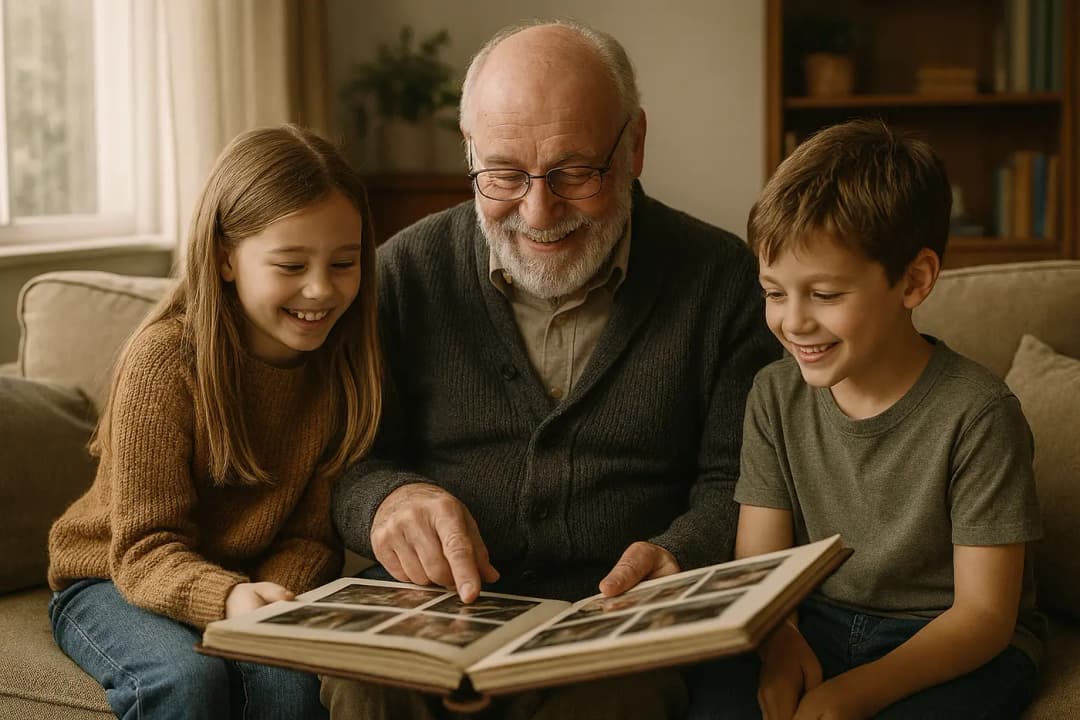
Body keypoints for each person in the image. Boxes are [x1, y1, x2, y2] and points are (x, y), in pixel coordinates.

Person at [324, 18, 778, 720]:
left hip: (615, 623)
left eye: (574, 172)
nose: (538, 210)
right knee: (359, 683)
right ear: (469, 151)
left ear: (634, 145)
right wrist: (387, 500)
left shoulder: (725, 285)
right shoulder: (401, 275)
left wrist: (679, 553)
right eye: (503, 173)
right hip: (439, 615)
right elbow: (349, 457)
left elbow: (740, 481)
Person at [702, 119, 1043, 719]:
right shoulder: (772, 395)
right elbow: (760, 568)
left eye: (826, 295)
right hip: (816, 624)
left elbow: (985, 616)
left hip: (948, 636)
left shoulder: (979, 413)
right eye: (774, 292)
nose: (793, 322)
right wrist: (779, 645)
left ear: (914, 280)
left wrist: (855, 693)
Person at [46, 124, 383, 720]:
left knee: (292, 687)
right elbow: (143, 549)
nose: (320, 289)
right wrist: (226, 598)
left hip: (249, 581)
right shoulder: (164, 361)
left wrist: (275, 602)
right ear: (226, 259)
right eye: (290, 263)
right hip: (111, 577)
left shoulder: (344, 369)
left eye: (344, 262)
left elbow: (309, 536)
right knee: (186, 680)